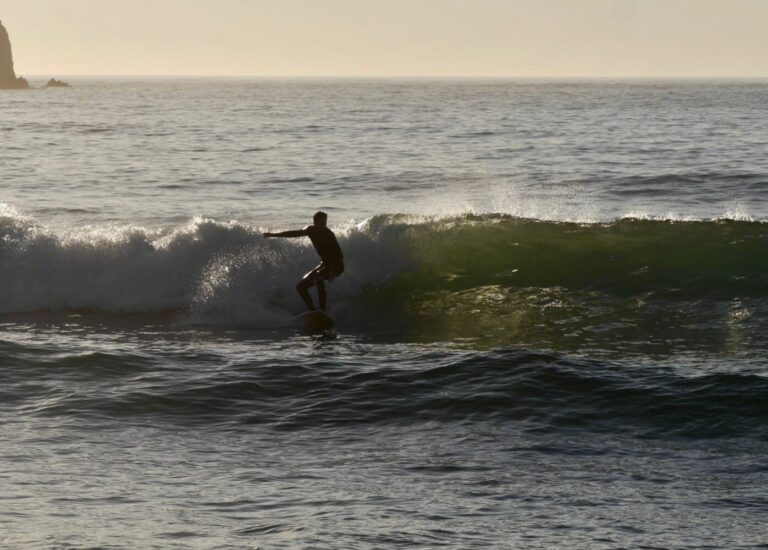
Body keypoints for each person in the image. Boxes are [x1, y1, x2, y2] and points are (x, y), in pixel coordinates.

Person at [263, 211, 344, 311]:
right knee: (300, 287)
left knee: (318, 278)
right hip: (324, 265)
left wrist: (332, 271)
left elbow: (338, 256)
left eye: (325, 222)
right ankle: (312, 310)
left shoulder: (329, 235)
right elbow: (293, 233)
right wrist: (273, 235)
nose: (324, 225)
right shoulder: (310, 230)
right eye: (321, 223)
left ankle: (323, 310)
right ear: (315, 223)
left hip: (337, 266)